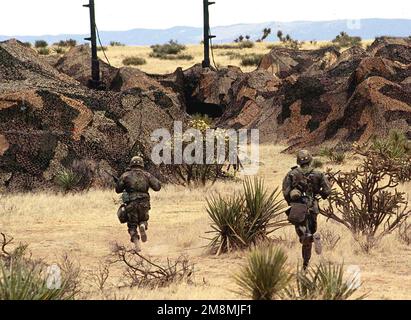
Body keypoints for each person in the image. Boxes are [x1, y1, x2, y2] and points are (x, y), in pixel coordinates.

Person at [282, 150, 331, 269]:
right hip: (313, 206)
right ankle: (307, 260)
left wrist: (291, 202)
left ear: (298, 161)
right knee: (311, 231)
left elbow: (286, 191)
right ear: (310, 160)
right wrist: (320, 194)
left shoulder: (291, 174)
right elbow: (327, 191)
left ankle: (305, 264)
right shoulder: (319, 174)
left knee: (303, 235)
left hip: (298, 207)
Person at [115, 156, 161, 251]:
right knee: (143, 219)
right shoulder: (147, 175)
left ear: (131, 164)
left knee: (132, 225)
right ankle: (142, 226)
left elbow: (117, 190)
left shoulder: (126, 175)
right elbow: (157, 187)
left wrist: (122, 184)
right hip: (144, 203)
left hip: (131, 203)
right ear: (142, 164)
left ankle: (137, 245)